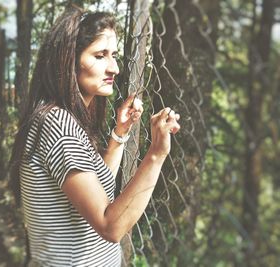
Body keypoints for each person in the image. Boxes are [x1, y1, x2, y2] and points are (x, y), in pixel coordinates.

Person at [9, 7, 181, 267]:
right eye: (100, 56)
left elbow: (95, 191)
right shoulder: (59, 125)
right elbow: (110, 225)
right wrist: (156, 154)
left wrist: (119, 134)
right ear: (68, 60)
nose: (114, 68)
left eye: (113, 56)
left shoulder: (56, 119)